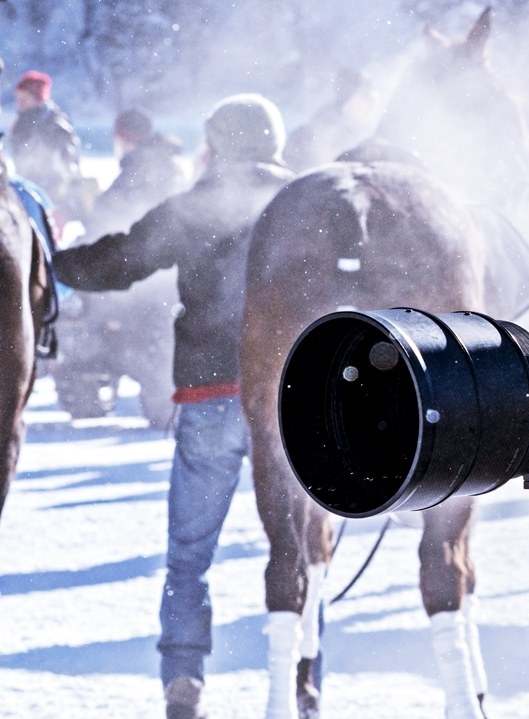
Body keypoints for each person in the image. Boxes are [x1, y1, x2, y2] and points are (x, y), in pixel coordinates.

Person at [53, 93, 295, 719]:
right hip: (289, 403)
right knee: (297, 546)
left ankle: (183, 679)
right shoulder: (302, 202)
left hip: (212, 396)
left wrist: (53, 262)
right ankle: (299, 678)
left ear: (218, 143)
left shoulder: (199, 203)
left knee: (189, 555)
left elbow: (119, 261)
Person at [82, 108, 188, 239]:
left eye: (116, 137)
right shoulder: (167, 164)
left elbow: (104, 218)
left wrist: (89, 203)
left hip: (146, 246)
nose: (115, 144)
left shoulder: (139, 169)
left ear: (126, 139)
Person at [6, 69, 90, 224]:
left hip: (54, 200)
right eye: (18, 99)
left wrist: (63, 207)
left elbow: (70, 167)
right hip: (27, 194)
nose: (20, 104)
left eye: (25, 99)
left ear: (38, 98)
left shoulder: (56, 125)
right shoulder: (20, 124)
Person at [282, 66, 381, 172]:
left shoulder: (371, 136)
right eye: (366, 97)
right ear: (348, 99)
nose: (372, 104)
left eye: (373, 98)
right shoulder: (309, 137)